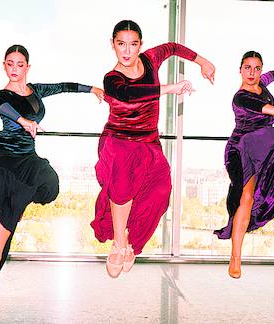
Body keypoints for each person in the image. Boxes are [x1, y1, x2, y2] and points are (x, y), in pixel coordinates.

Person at [90, 20, 215, 278]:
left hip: (149, 141)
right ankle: (118, 244)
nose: (126, 51)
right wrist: (171, 88)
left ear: (140, 45)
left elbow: (172, 47)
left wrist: (202, 61)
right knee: (122, 186)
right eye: (121, 44)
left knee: (160, 192)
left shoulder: (150, 59)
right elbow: (131, 94)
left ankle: (130, 240)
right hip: (119, 141)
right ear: (112, 45)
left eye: (133, 44)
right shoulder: (111, 79)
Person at [0, 44, 105, 292]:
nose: (14, 68)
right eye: (9, 63)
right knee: (10, 206)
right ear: (4, 65)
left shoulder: (35, 90)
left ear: (28, 67)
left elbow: (63, 87)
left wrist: (91, 89)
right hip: (6, 157)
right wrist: (23, 120)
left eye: (19, 64)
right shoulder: (3, 95)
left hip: (28, 155)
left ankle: (13, 207)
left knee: (49, 185)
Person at [213, 51, 274, 279]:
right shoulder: (240, 97)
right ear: (240, 70)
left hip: (261, 149)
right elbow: (259, 107)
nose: (252, 73)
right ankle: (235, 256)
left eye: (257, 68)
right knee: (246, 197)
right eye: (247, 68)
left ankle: (242, 233)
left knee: (259, 193)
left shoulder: (262, 83)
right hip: (240, 150)